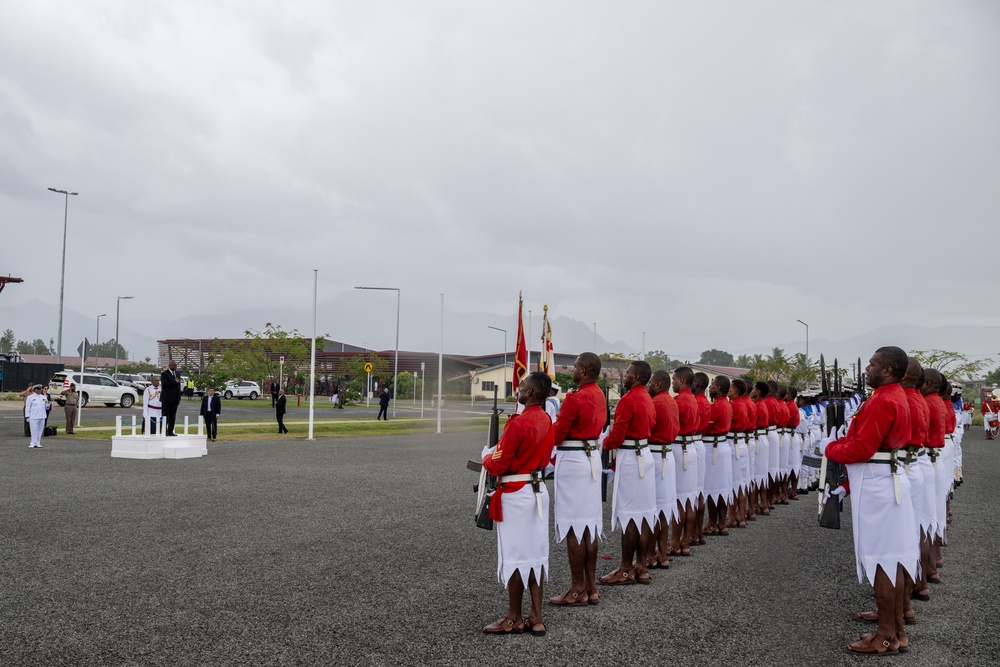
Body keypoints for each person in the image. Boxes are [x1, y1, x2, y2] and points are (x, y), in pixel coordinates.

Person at [821, 346, 918, 655]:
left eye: (873, 365)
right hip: (886, 478)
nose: (868, 369)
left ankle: (885, 636)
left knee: (882, 562)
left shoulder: (884, 400)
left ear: (887, 370)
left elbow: (862, 449)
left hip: (878, 485)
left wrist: (829, 448)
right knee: (894, 561)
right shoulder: (892, 396)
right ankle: (897, 632)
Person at [481, 371, 554, 635]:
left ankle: (514, 617)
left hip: (516, 493)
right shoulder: (547, 419)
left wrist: (487, 456)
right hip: (537, 490)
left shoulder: (518, 422)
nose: (519, 389)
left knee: (514, 556)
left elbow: (498, 464)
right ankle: (537, 616)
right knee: (535, 554)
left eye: (522, 386)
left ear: (531, 392)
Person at [548, 353, 605, 607]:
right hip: (591, 457)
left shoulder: (576, 397)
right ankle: (591, 587)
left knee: (574, 526)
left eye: (574, 367)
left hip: (573, 461)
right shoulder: (599, 394)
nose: (572, 370)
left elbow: (557, 435)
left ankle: (577, 588)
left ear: (582, 371)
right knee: (589, 525)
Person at [599, 360, 656, 586]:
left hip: (632, 458)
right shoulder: (647, 398)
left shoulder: (629, 399)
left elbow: (617, 436)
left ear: (637, 377)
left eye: (629, 373)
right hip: (645, 453)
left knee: (630, 514)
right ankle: (640, 566)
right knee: (643, 514)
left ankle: (625, 568)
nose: (626, 377)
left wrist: (602, 442)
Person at [646, 369, 679, 568]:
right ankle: (662, 553)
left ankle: (650, 554)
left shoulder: (655, 402)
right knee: (664, 508)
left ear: (657, 384)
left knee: (653, 508)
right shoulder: (672, 401)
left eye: (651, 382)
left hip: (655, 454)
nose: (649, 385)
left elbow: (647, 427)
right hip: (668, 454)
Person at [671, 367, 700, 556]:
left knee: (680, 499)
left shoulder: (679, 401)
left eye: (674, 379)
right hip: (691, 446)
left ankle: (674, 542)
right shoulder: (694, 399)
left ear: (681, 381)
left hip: (678, 446)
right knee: (689, 498)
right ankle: (685, 541)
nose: (672, 383)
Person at [703, 376, 733, 536]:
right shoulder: (727, 404)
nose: (710, 387)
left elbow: (705, 428)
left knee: (713, 487)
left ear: (719, 388)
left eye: (713, 385)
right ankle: (722, 522)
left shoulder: (716, 406)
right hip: (722, 445)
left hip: (713, 447)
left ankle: (713, 523)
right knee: (722, 487)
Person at [160, 361, 182, 436]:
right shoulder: (164, 374)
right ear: (169, 365)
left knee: (173, 416)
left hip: (175, 399)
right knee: (165, 415)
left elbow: (178, 387)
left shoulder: (177, 374)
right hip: (166, 399)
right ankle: (164, 430)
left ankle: (170, 431)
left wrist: (179, 397)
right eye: (173, 365)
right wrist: (174, 382)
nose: (175, 367)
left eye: (176, 365)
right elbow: (165, 384)